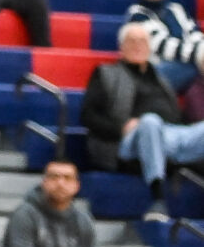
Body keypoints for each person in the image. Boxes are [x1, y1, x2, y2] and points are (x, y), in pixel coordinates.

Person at [79, 24, 204, 221]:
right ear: (121, 48)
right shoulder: (106, 73)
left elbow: (178, 118)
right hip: (127, 143)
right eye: (132, 41)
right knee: (150, 121)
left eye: (143, 41)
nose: (138, 46)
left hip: (170, 135)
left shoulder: (161, 78)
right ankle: (158, 199)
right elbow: (88, 116)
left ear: (150, 48)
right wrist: (120, 128)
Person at [125, 0, 204, 92]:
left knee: (196, 85)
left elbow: (194, 34)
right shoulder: (137, 14)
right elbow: (164, 46)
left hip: (188, 64)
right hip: (157, 70)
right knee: (195, 69)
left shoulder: (177, 9)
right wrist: (200, 54)